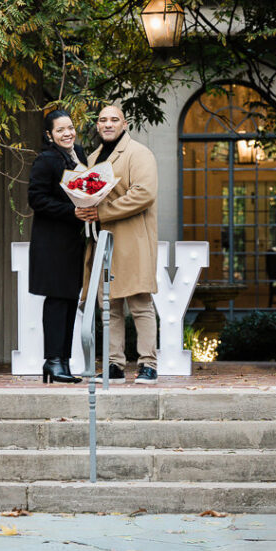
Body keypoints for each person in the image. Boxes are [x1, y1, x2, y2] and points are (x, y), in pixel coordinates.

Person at [76, 104, 159, 385]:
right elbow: (88, 195)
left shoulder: (139, 153)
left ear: (125, 124)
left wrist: (101, 213)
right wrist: (81, 207)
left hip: (132, 239)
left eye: (114, 119)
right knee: (108, 305)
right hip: (102, 240)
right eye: (102, 120)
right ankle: (114, 365)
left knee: (140, 302)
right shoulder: (93, 157)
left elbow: (144, 193)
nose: (108, 124)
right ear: (97, 126)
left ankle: (148, 364)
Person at [28, 109, 87, 384]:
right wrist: (71, 212)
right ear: (50, 135)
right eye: (61, 130)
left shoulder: (79, 155)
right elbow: (36, 200)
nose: (68, 133)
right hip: (51, 242)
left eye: (70, 128)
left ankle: (62, 361)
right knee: (56, 301)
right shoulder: (46, 159)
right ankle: (53, 360)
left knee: (70, 300)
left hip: (73, 241)